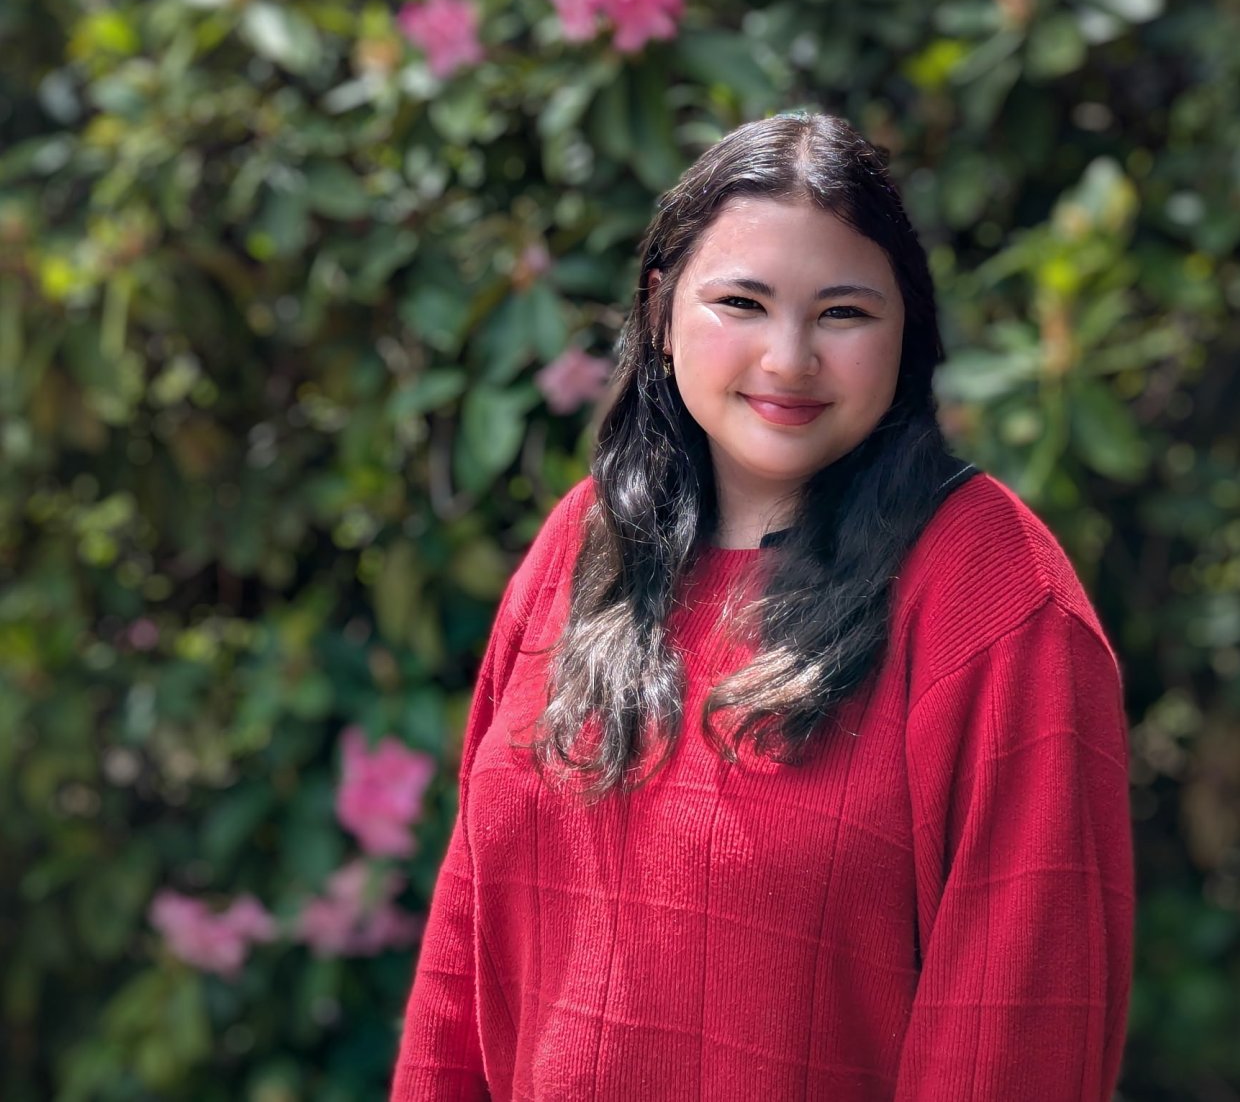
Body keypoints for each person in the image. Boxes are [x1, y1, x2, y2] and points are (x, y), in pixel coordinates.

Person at [390, 112, 1133, 1100]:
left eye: (842, 314)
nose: (788, 359)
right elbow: (462, 958)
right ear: (659, 309)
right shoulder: (581, 546)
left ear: (906, 330)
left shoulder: (992, 597)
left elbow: (1019, 1041)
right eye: (741, 301)